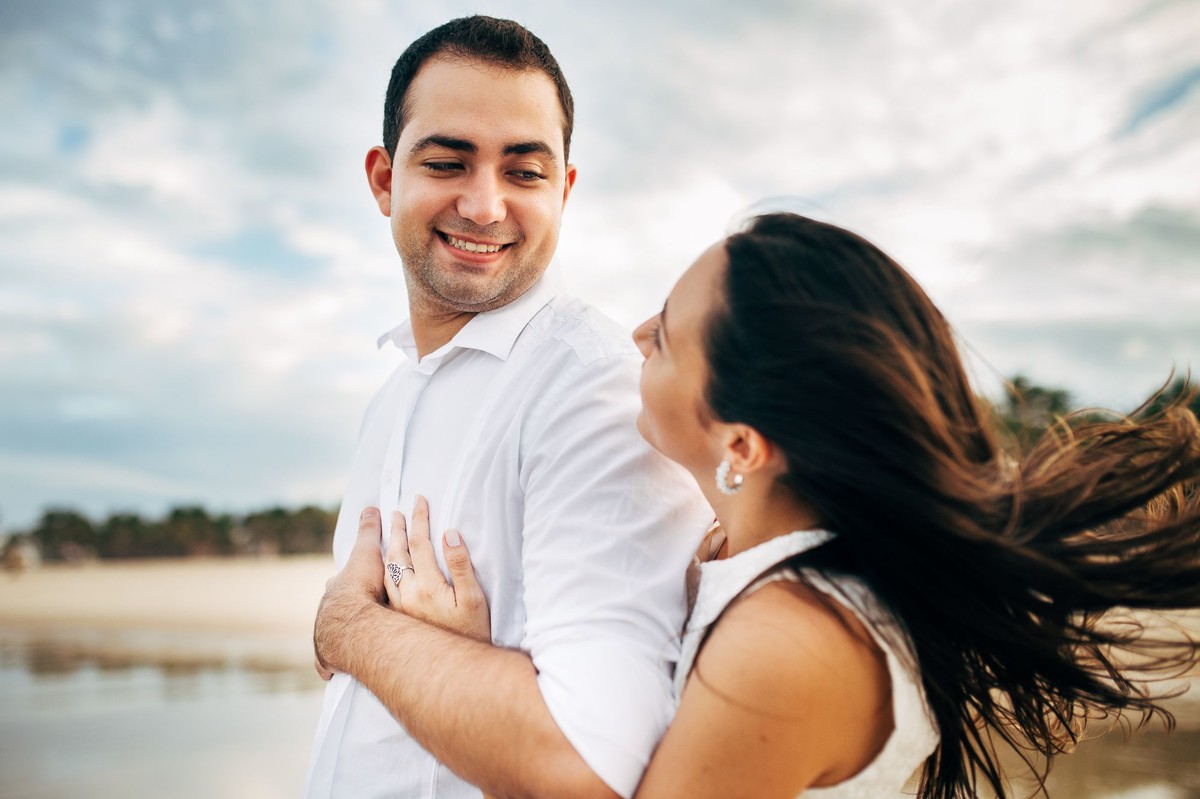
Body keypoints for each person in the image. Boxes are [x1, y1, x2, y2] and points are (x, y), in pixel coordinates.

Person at [318, 212, 1200, 797]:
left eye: (664, 335)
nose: (633, 338)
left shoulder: (792, 637)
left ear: (741, 444)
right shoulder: (742, 558)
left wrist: (413, 645)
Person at [304, 15, 712, 799]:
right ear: (385, 179)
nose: (486, 206)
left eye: (524, 173)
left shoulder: (593, 390)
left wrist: (350, 630)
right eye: (449, 162)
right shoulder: (391, 396)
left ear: (564, 188)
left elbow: (587, 765)